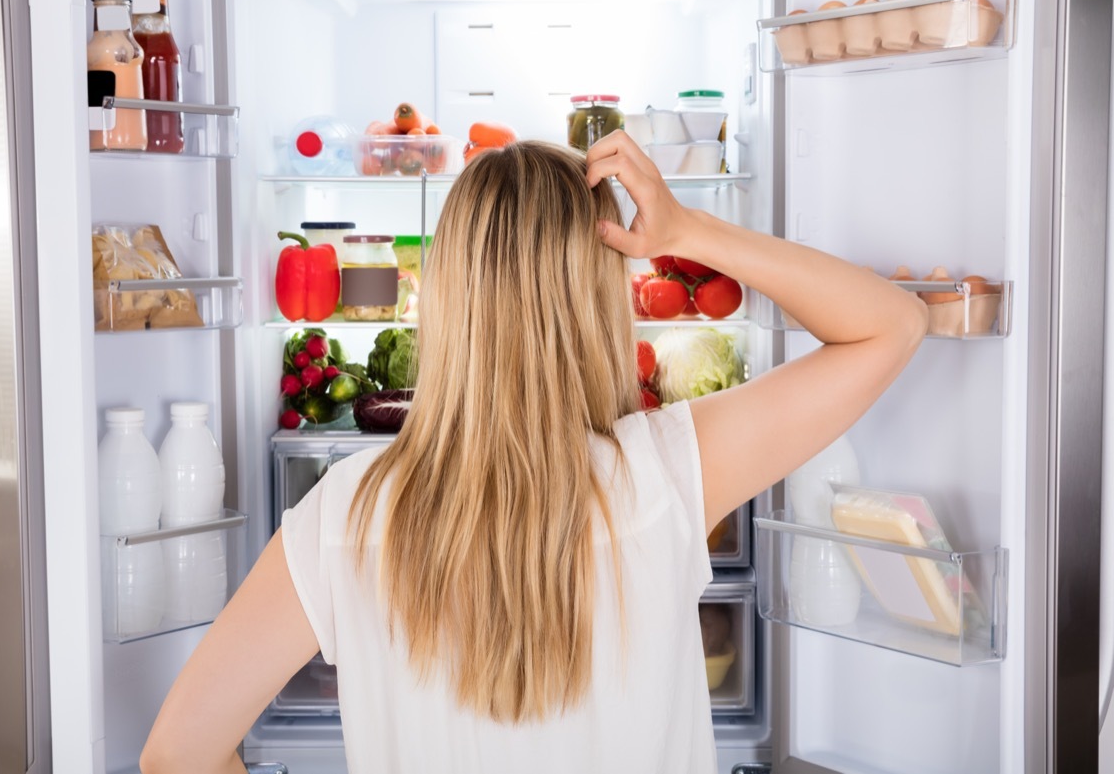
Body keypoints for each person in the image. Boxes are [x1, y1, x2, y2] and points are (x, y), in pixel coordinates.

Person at [139, 133, 927, 774]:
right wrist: (689, 231)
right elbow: (892, 324)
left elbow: (176, 753)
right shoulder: (667, 471)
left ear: (449, 293)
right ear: (598, 296)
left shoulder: (341, 514)